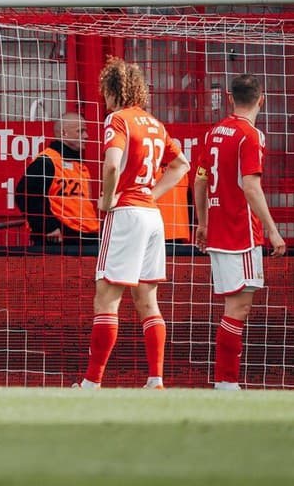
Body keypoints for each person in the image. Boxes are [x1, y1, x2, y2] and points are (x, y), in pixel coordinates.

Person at [75, 57, 190, 389]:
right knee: (146, 299)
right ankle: (155, 379)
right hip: (152, 218)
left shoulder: (118, 119)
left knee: (106, 297)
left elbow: (111, 166)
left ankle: (91, 383)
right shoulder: (154, 124)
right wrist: (153, 194)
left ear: (112, 90)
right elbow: (181, 164)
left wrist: (107, 199)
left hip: (126, 214)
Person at [194, 73, 286, 391]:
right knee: (239, 308)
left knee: (233, 307)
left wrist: (203, 222)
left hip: (218, 229)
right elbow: (250, 186)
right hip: (241, 231)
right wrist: (273, 232)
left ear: (231, 99)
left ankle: (225, 381)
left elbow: (200, 179)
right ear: (262, 99)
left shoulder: (214, 132)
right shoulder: (251, 135)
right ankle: (227, 383)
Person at [15, 112, 99, 247]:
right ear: (64, 133)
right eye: (80, 131)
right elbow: (24, 195)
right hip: (61, 238)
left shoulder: (79, 165)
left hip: (86, 234)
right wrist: (47, 227)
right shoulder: (46, 161)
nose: (86, 136)